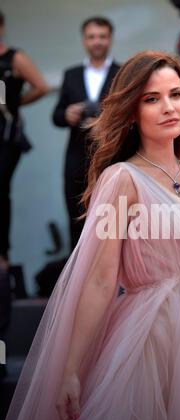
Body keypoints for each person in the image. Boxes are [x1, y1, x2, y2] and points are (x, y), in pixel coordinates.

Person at [2, 51, 180, 420]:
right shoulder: (122, 180)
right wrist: (72, 370)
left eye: (176, 94)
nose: (169, 107)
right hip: (152, 335)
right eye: (152, 99)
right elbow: (99, 279)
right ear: (131, 111)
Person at [0, 10, 48, 344]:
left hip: (5, 138)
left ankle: (3, 256)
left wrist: (15, 104)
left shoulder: (14, 57)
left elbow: (41, 87)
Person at [53, 16, 120, 252]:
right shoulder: (71, 74)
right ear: (84, 40)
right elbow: (56, 115)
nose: (97, 42)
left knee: (113, 222)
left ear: (110, 38)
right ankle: (77, 284)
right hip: (76, 158)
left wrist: (105, 121)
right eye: (92, 37)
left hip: (111, 157)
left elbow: (130, 113)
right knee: (76, 221)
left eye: (102, 36)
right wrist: (68, 114)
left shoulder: (122, 73)